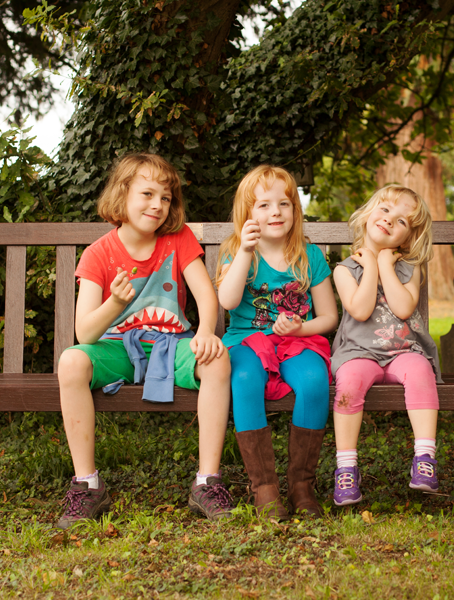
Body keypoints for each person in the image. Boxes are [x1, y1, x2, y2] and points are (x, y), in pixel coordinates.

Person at [56, 153, 232, 529]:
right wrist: (115, 303)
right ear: (122, 195)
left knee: (217, 359)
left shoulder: (178, 239)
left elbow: (206, 295)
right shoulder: (98, 254)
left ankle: (207, 481)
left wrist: (205, 332)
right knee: (71, 360)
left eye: (165, 198)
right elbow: (85, 333)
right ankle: (87, 484)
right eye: (147, 194)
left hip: (171, 345)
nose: (157, 204)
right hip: (118, 348)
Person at [215, 165, 338, 520]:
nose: (276, 212)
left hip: (297, 343)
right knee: (243, 380)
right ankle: (265, 489)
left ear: (295, 210)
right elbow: (227, 301)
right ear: (248, 213)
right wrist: (244, 251)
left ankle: (301, 486)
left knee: (314, 381)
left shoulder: (308, 256)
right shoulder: (238, 252)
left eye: (284, 204)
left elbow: (329, 317)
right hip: (247, 342)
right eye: (264, 205)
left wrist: (300, 328)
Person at [330, 184, 442, 506]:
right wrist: (369, 268)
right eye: (385, 209)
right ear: (369, 214)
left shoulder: (409, 269)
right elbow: (361, 309)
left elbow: (403, 308)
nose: (390, 219)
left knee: (420, 370)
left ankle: (425, 458)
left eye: (402, 221)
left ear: (406, 239)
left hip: (402, 351)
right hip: (358, 353)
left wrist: (383, 265)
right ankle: (346, 467)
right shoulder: (344, 270)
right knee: (349, 384)